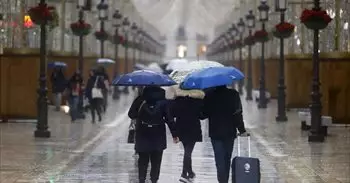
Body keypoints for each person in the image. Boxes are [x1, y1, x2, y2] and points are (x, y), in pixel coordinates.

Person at [128, 86, 178, 183]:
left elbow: (131, 114)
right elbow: (169, 119)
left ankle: (142, 180)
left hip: (143, 133)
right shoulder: (163, 102)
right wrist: (174, 134)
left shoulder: (140, 99)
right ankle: (154, 180)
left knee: (143, 160)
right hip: (158, 134)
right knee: (156, 161)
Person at [202, 85, 248, 183]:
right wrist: (242, 130)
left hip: (215, 133)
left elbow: (202, 114)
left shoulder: (210, 95)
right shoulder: (233, 94)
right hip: (229, 132)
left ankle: (222, 181)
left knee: (219, 161)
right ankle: (224, 180)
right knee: (227, 159)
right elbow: (238, 114)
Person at [170, 89, 205, 183]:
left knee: (187, 151)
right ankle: (184, 174)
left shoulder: (179, 100)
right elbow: (202, 115)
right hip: (193, 128)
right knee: (188, 151)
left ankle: (189, 172)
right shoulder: (198, 100)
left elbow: (173, 113)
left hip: (181, 128)